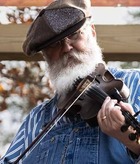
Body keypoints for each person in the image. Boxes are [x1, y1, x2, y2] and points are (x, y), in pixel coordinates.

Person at [0, 0, 140, 163]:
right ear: (45, 55)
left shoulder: (136, 83)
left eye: (74, 34)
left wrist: (133, 140)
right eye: (55, 43)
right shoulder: (37, 119)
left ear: (92, 33)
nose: (66, 48)